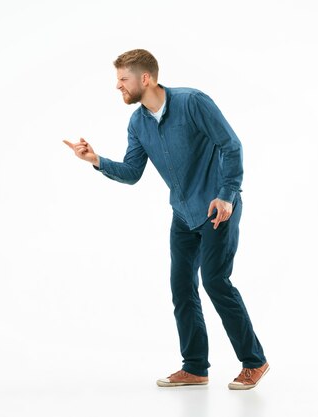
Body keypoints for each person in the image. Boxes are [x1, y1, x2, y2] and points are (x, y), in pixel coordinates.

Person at [63, 49, 269, 390]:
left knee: (215, 282)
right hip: (184, 215)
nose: (118, 87)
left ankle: (254, 361)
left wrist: (228, 193)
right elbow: (132, 173)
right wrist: (95, 159)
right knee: (181, 287)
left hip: (218, 209)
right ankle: (195, 368)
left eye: (123, 79)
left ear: (146, 78)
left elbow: (231, 145)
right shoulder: (138, 122)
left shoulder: (193, 102)